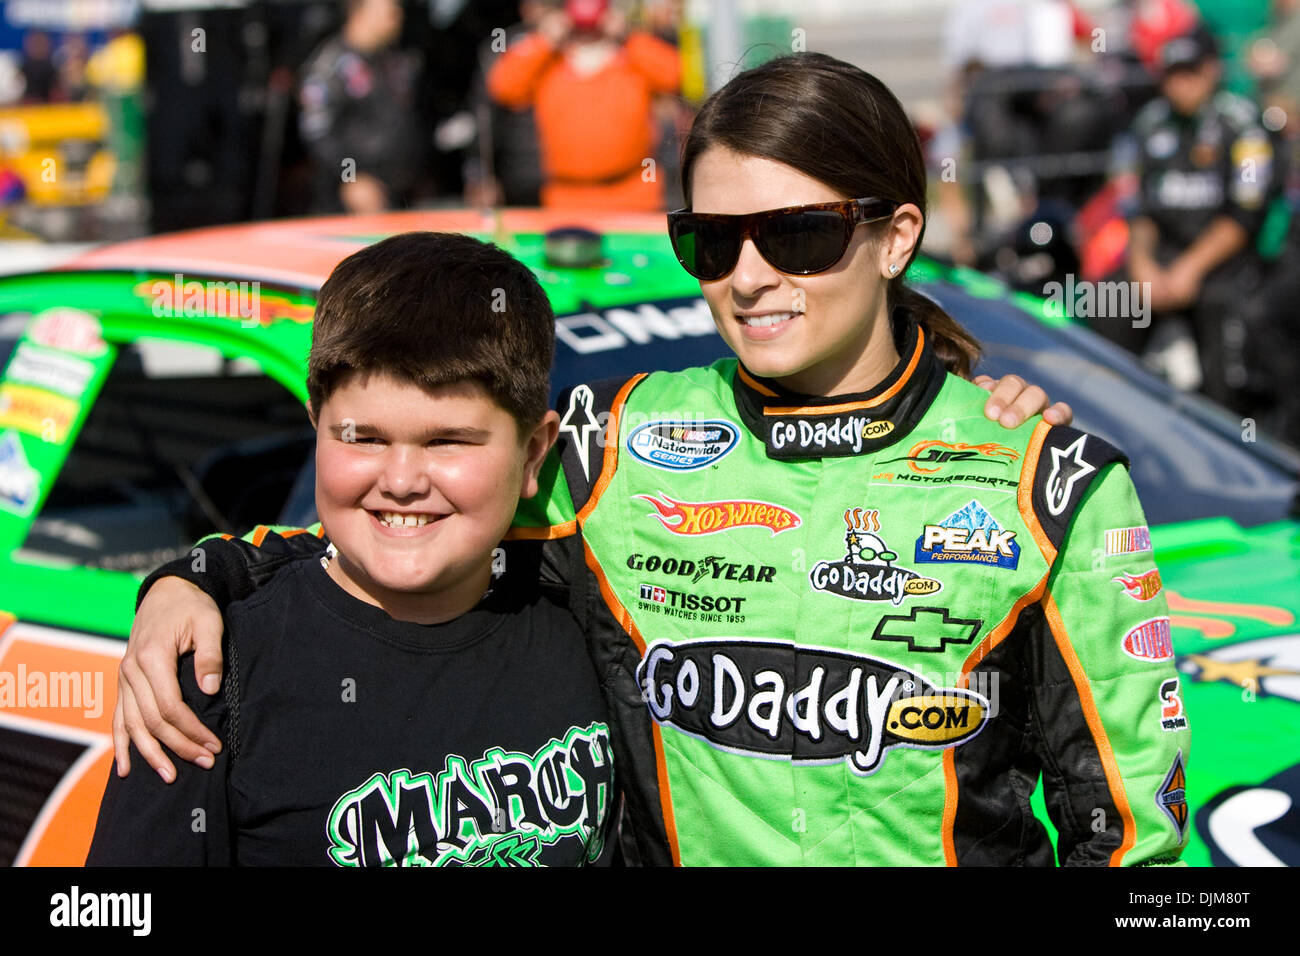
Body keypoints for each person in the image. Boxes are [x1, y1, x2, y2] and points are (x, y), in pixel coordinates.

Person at [116, 54, 1184, 867]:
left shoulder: (1052, 478)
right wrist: (198, 575)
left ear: (896, 235)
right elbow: (400, 511)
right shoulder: (614, 443)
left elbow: (1133, 837)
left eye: (797, 234)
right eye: (711, 241)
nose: (750, 276)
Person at [86, 233, 614, 865]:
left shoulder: (598, 622)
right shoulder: (209, 668)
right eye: (363, 438)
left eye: (449, 442)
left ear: (533, 453)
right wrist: (192, 578)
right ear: (315, 425)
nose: (400, 481)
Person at [1105, 25, 1277, 405]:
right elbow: (1137, 207)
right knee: (1107, 301)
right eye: (1172, 74)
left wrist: (1189, 270)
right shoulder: (1148, 124)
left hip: (1224, 265)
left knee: (1225, 325)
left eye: (1190, 73)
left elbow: (1244, 215)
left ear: (1212, 70)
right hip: (1160, 257)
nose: (1180, 84)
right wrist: (1143, 267)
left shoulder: (1245, 126)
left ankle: (1233, 425)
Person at [485, 0, 680, 210]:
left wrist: (628, 37)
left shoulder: (630, 57)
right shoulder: (550, 63)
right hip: (566, 197)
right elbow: (503, 87)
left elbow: (676, 75)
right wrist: (545, 39)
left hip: (634, 193)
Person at [298, 0, 422, 214]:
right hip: (348, 201)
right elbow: (317, 132)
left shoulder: (392, 60)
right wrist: (352, 178)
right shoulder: (330, 65)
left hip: (397, 192)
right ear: (359, 12)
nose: (397, 14)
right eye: (389, 9)